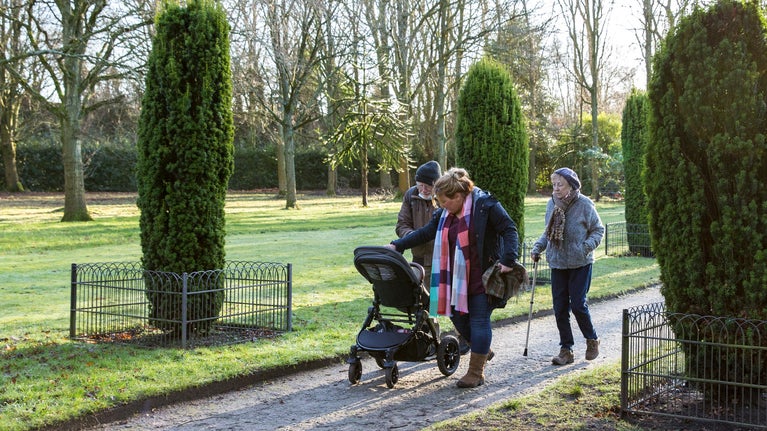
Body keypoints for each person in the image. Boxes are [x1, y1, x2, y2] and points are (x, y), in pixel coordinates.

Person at [387, 167, 519, 388]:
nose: (441, 206)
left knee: (478, 320)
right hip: (455, 280)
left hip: (481, 275)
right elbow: (426, 232)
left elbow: (509, 229)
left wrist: (508, 258)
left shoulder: (486, 205)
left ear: (458, 196)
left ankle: (476, 372)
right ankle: (482, 349)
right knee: (458, 317)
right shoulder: (444, 214)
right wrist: (396, 245)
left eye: (444, 201)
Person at [531, 167, 604, 366]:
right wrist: (538, 247)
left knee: (578, 304)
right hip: (557, 263)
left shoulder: (584, 204)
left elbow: (598, 230)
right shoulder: (551, 204)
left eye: (559, 184)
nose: (555, 188)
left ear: (571, 186)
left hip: (580, 263)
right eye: (553, 184)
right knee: (560, 307)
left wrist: (586, 247)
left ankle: (592, 340)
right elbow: (548, 232)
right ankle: (566, 350)